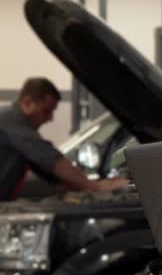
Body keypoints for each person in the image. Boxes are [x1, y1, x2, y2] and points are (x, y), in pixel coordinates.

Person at [0, 77, 128, 200]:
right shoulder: (12, 122)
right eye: (47, 111)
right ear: (27, 102)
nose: (50, 119)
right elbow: (51, 159)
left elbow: (50, 172)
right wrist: (96, 186)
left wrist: (85, 185)